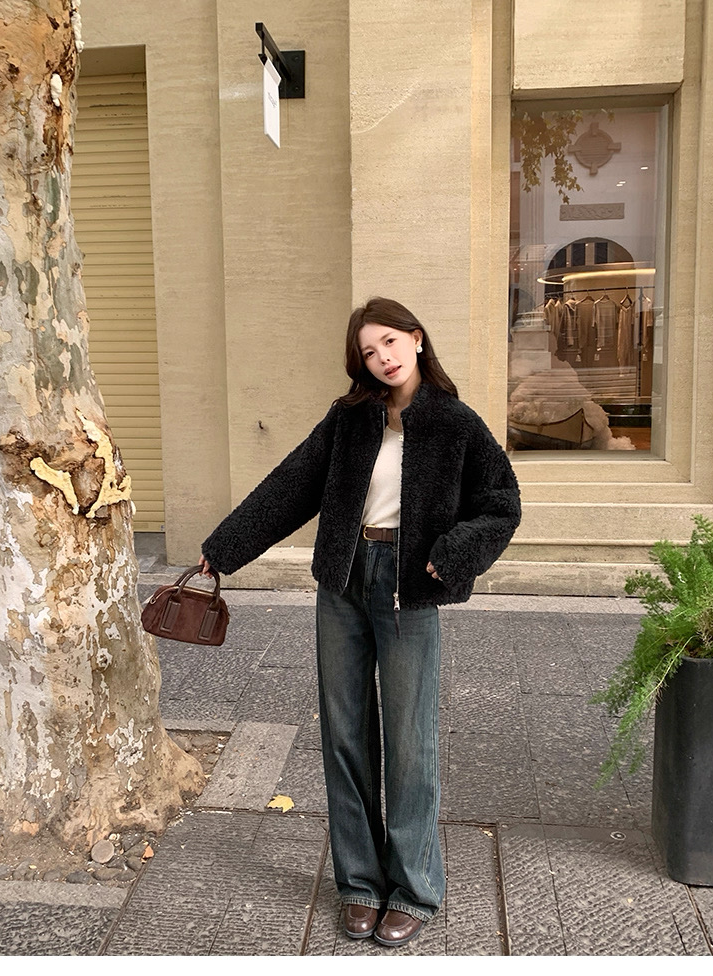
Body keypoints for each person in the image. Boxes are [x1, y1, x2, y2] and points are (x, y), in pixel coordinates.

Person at [199, 297, 521, 947]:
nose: (383, 359)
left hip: (409, 587)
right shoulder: (349, 419)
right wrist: (225, 547)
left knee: (410, 744)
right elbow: (292, 484)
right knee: (344, 735)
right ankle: (360, 884)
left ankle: (415, 889)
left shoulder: (454, 422)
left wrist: (451, 555)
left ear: (417, 339)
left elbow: (501, 503)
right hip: (343, 584)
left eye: (390, 343)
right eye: (369, 352)